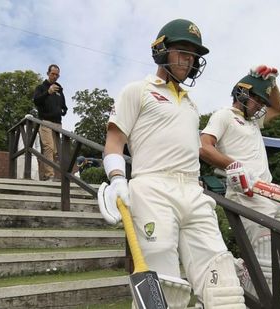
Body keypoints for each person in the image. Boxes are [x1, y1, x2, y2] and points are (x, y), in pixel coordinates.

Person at [96, 19, 245, 309]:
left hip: (193, 192)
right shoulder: (137, 90)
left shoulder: (191, 104)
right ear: (161, 50)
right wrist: (116, 178)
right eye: (182, 52)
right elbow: (114, 142)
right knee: (164, 289)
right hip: (152, 187)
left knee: (223, 286)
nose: (189, 61)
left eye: (193, 56)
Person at [200, 65, 280, 294]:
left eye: (262, 102)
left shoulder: (253, 122)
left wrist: (273, 82)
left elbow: (277, 108)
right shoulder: (224, 116)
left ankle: (245, 270)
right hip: (246, 193)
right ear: (242, 94)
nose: (261, 106)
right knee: (264, 256)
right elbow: (204, 147)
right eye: (257, 100)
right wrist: (233, 165)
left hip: (270, 191)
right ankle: (248, 279)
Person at [33, 64, 67, 181]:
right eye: (53, 74)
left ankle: (45, 174)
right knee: (49, 148)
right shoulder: (41, 87)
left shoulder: (60, 90)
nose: (55, 76)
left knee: (56, 152)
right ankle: (49, 176)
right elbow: (36, 101)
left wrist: (63, 111)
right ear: (48, 73)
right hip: (45, 122)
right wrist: (48, 92)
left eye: (57, 75)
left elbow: (64, 106)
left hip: (58, 123)